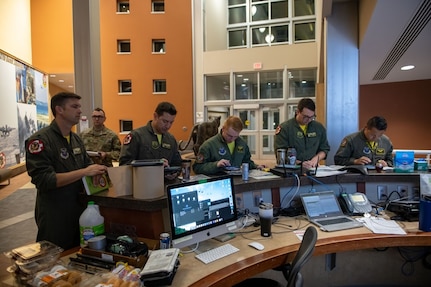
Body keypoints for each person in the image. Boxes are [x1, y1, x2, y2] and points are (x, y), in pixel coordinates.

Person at [25, 92, 108, 250]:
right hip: (55, 215)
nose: (80, 111)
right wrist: (85, 172)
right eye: (74, 106)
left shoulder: (76, 139)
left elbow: (86, 165)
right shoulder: (40, 141)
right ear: (59, 110)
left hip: (79, 211)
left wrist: (97, 174)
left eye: (80, 107)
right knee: (54, 263)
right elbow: (44, 180)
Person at [119, 102, 182, 180]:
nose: (168, 126)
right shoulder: (137, 136)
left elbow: (177, 163)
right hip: (142, 186)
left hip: (164, 186)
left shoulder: (171, 139)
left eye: (171, 122)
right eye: (165, 121)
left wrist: (174, 173)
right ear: (155, 116)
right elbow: (124, 165)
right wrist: (153, 167)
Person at [193, 116, 265, 175]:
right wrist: (216, 165)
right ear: (223, 129)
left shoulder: (241, 144)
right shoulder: (208, 145)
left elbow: (246, 162)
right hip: (219, 183)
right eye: (229, 135)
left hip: (238, 181)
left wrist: (256, 166)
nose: (232, 139)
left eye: (235, 136)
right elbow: (197, 168)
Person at [274, 98, 330, 170]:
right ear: (298, 112)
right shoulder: (285, 128)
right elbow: (280, 154)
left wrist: (315, 160)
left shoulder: (318, 128)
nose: (308, 120)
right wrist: (300, 163)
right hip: (291, 170)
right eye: (305, 117)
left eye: (312, 117)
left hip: (312, 169)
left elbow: (324, 149)